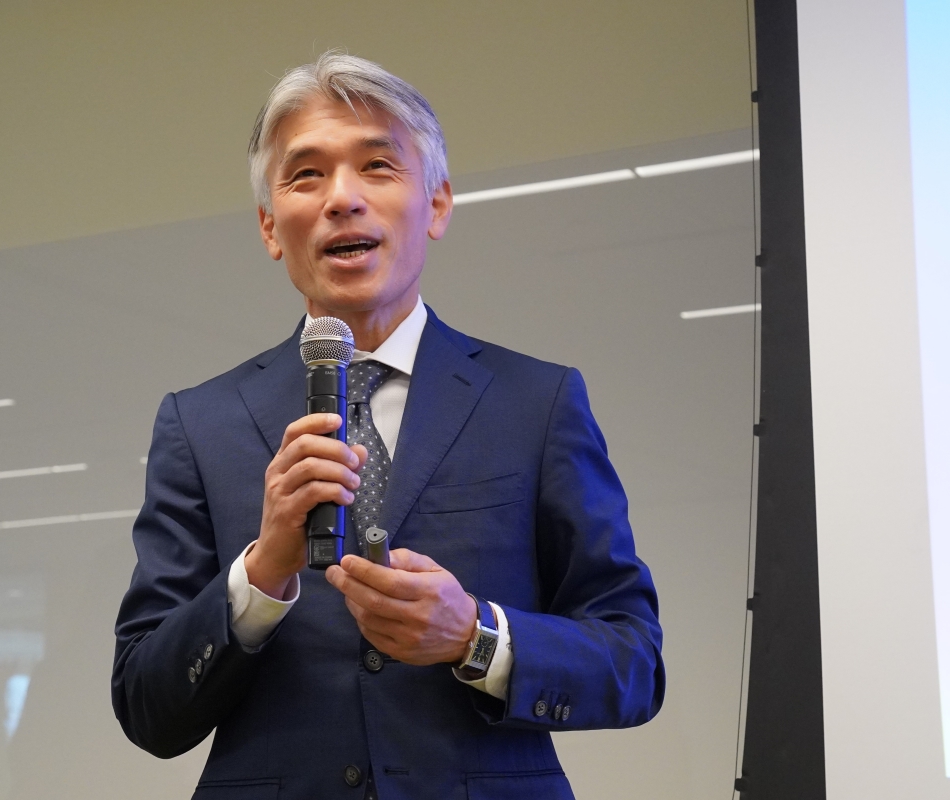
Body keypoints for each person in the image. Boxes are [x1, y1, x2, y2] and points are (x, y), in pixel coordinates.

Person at [112, 52, 664, 800]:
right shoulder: (199, 423)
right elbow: (146, 705)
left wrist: (475, 636)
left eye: (377, 166)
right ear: (271, 226)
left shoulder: (537, 402)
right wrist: (260, 574)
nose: (342, 198)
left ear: (436, 205)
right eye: (307, 175)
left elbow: (634, 662)